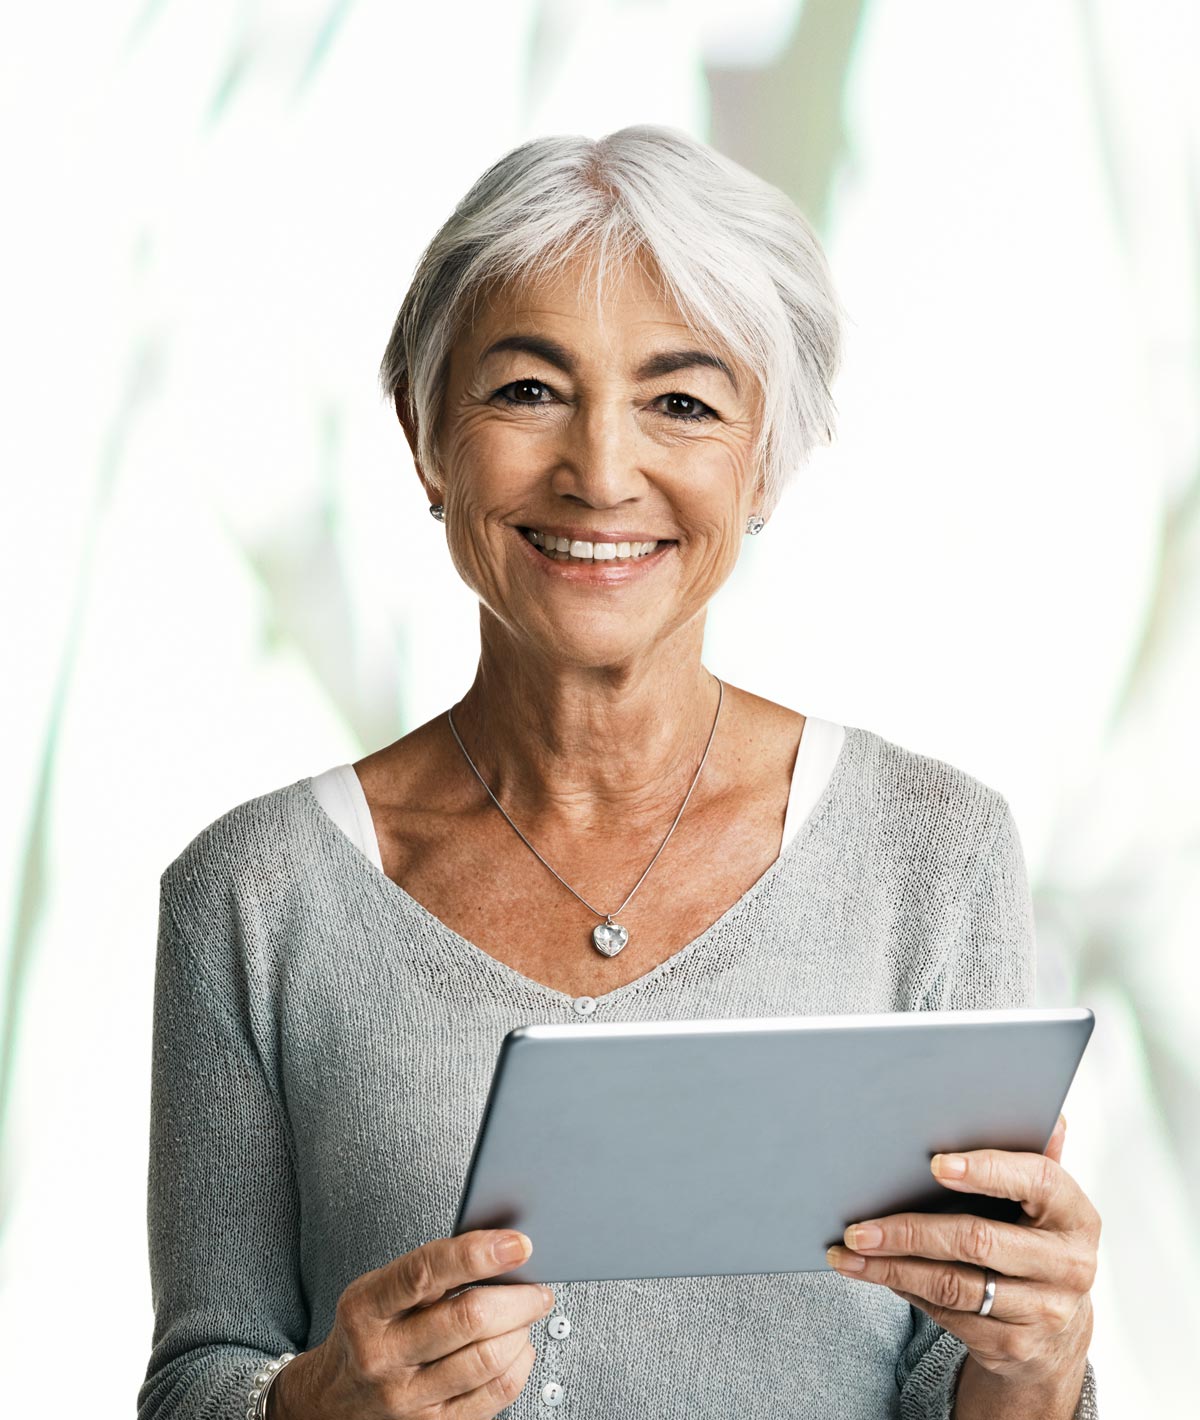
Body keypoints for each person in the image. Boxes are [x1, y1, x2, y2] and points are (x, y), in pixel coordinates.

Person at [137, 125, 1100, 1420]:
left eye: (683, 403)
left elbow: (960, 1392)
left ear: (766, 462)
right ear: (427, 434)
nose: (599, 472)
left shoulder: (932, 849)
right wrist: (306, 1406)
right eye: (527, 390)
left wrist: (1033, 1363)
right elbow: (200, 1372)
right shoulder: (253, 895)